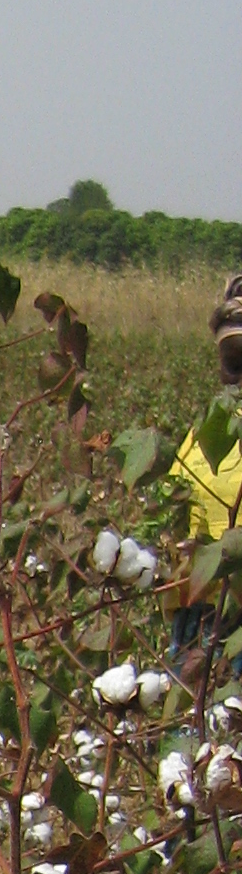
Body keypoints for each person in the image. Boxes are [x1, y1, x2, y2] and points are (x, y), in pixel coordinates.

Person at [170, 272, 242, 678]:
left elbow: (174, 532)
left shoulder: (201, 435)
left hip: (199, 619)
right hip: (213, 614)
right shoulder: (203, 434)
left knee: (194, 732)